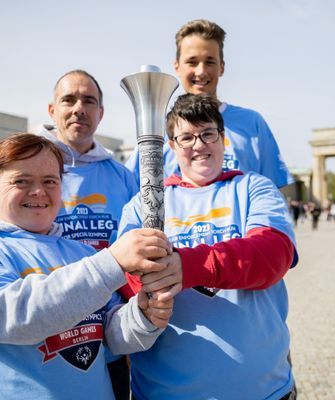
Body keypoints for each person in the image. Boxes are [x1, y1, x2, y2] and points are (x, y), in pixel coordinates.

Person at [119, 94, 298, 400]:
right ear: (172, 146)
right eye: (186, 137)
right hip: (165, 393)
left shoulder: (254, 188)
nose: (199, 145)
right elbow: (126, 280)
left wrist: (185, 267)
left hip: (263, 391)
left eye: (207, 134)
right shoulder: (142, 206)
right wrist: (144, 279)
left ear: (222, 138)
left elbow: (273, 255)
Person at [0, 133, 173, 399]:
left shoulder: (81, 253)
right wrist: (111, 262)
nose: (38, 191)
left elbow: (109, 338)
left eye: (50, 181)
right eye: (21, 181)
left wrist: (142, 318)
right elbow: (15, 315)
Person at [36, 69, 136, 398]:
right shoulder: (29, 171)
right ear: (52, 110)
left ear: (100, 113)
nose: (79, 107)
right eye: (69, 99)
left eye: (89, 100)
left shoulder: (123, 177)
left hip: (110, 336)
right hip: (44, 333)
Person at [125, 19, 293, 192]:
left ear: (222, 67)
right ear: (177, 67)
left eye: (210, 62)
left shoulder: (252, 123)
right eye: (192, 62)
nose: (201, 71)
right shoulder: (156, 131)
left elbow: (274, 192)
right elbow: (128, 187)